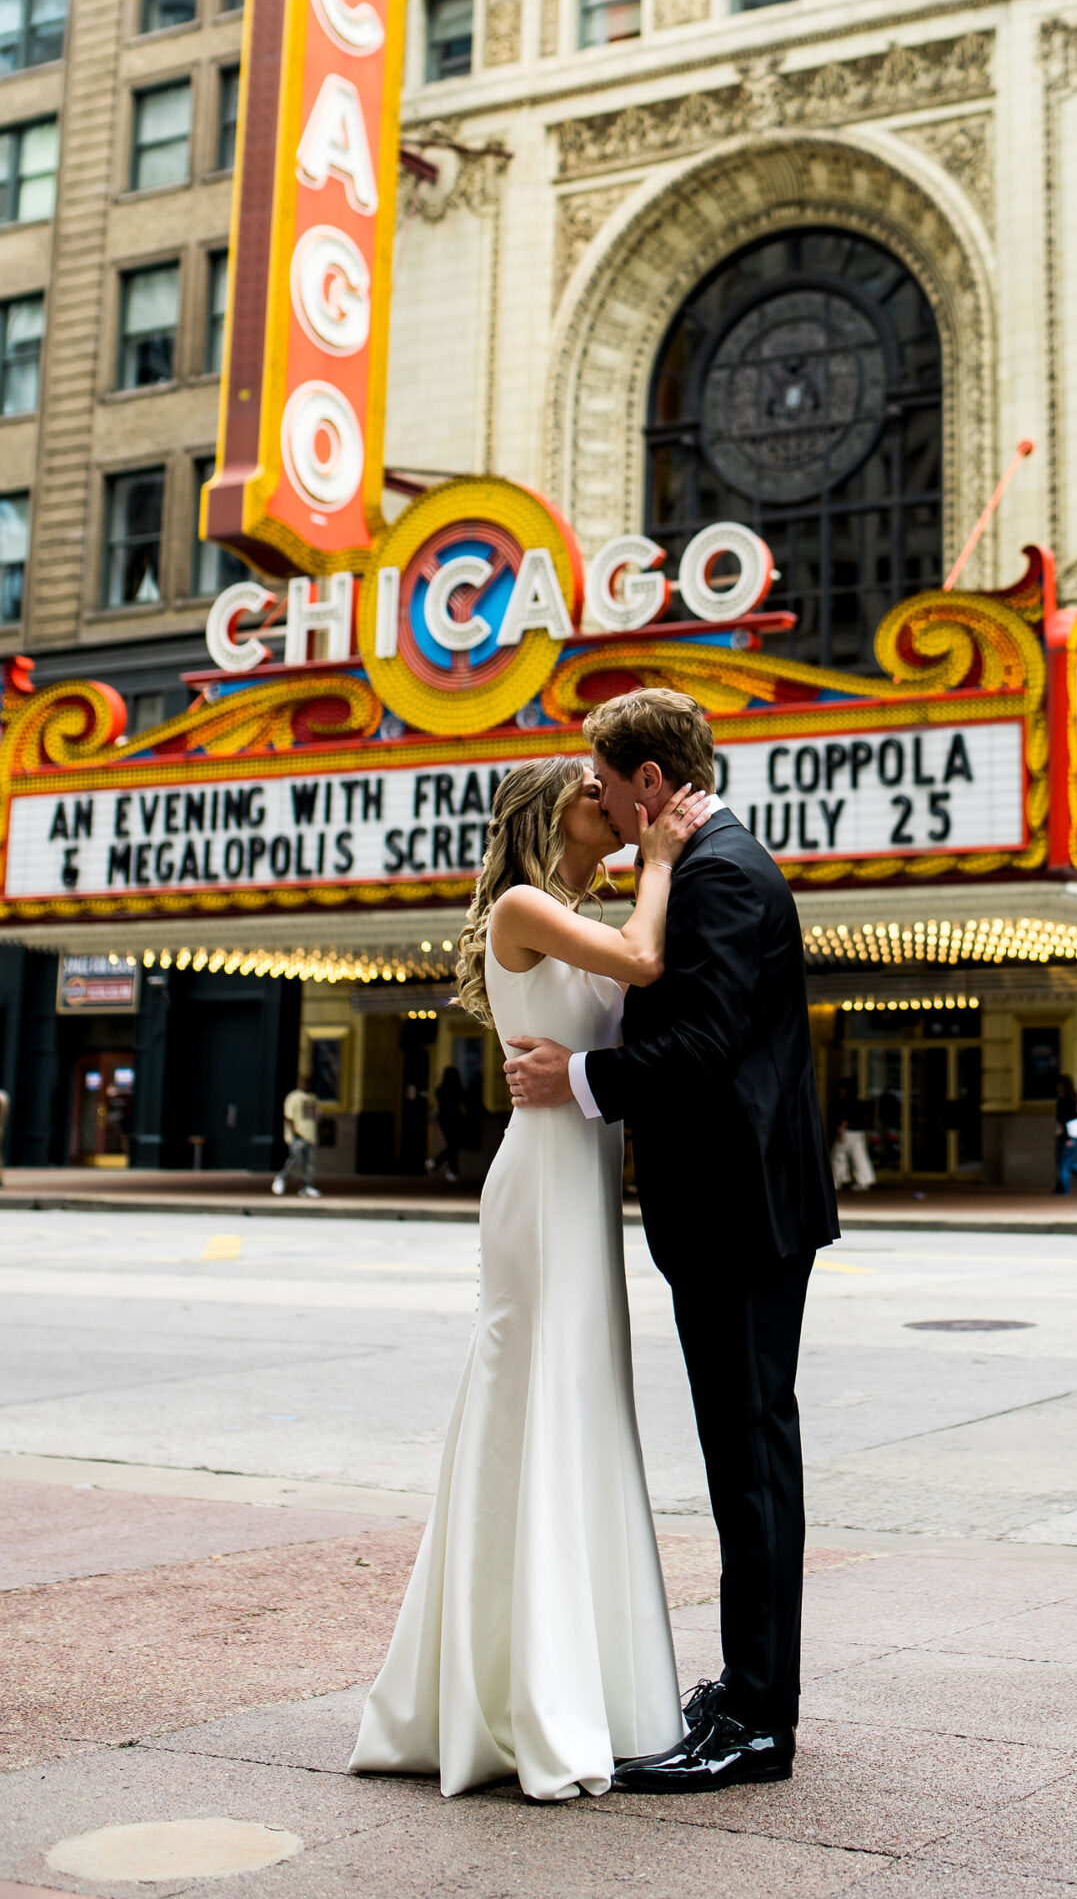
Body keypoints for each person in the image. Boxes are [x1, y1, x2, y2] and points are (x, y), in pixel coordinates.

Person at [350, 755, 713, 1800]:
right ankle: (525, 1695)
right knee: (539, 1405)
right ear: (549, 812)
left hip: (581, 1180)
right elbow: (644, 960)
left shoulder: (566, 907)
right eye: (595, 796)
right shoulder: (522, 902)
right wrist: (661, 856)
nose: (616, 805)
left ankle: (578, 1678)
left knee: (579, 1408)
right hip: (541, 1188)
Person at [502, 688, 839, 1793]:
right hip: (731, 1207)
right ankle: (753, 1688)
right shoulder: (701, 866)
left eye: (603, 782)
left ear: (650, 785)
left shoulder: (721, 873)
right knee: (746, 1455)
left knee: (748, 1461)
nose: (590, 796)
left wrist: (581, 1076)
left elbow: (698, 1038)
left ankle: (756, 1716)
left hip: (741, 1211)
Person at [272, 1079, 321, 1198]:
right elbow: (288, 1116)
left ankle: (306, 1186)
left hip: (310, 1135)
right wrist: (294, 1133)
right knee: (295, 1159)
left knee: (310, 1163)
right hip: (298, 1135)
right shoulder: (293, 1097)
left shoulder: (313, 1098)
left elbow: (316, 1116)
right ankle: (282, 1178)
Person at [830, 1077, 876, 1193]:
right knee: (859, 1156)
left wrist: (840, 1131)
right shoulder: (857, 1100)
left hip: (847, 1132)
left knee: (838, 1156)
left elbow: (845, 1118)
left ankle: (837, 1180)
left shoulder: (845, 1101)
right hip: (858, 1132)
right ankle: (864, 1180)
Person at [428, 1062, 465, 1183]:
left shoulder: (440, 1090)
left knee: (452, 1144)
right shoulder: (457, 1089)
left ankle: (444, 1166)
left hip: (443, 1118)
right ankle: (449, 1169)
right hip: (455, 1118)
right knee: (453, 1144)